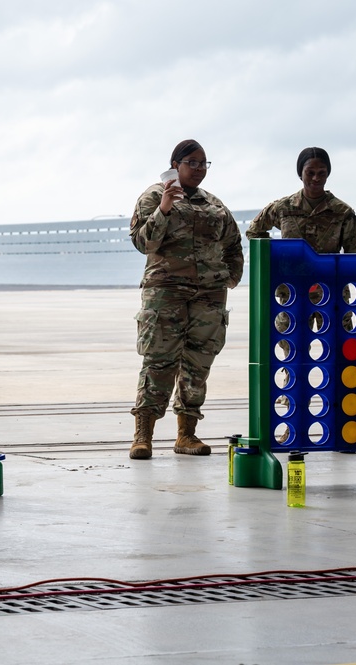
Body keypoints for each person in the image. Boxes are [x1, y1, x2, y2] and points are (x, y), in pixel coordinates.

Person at [128, 139, 244, 460]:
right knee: (159, 363)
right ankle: (143, 435)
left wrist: (229, 278)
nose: (198, 169)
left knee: (198, 364)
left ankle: (186, 434)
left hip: (208, 298)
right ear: (175, 165)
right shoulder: (154, 196)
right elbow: (143, 242)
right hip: (166, 294)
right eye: (191, 162)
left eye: (203, 163)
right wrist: (165, 208)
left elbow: (234, 244)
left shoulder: (214, 204)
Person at [247, 147, 356, 451]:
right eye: (310, 172)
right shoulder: (284, 208)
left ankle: (343, 433)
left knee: (340, 362)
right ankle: (288, 430)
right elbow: (254, 231)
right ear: (301, 173)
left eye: (321, 172)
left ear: (328, 174)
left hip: (332, 297)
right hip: (291, 299)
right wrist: (278, 259)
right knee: (289, 364)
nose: (315, 178)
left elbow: (353, 256)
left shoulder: (342, 212)